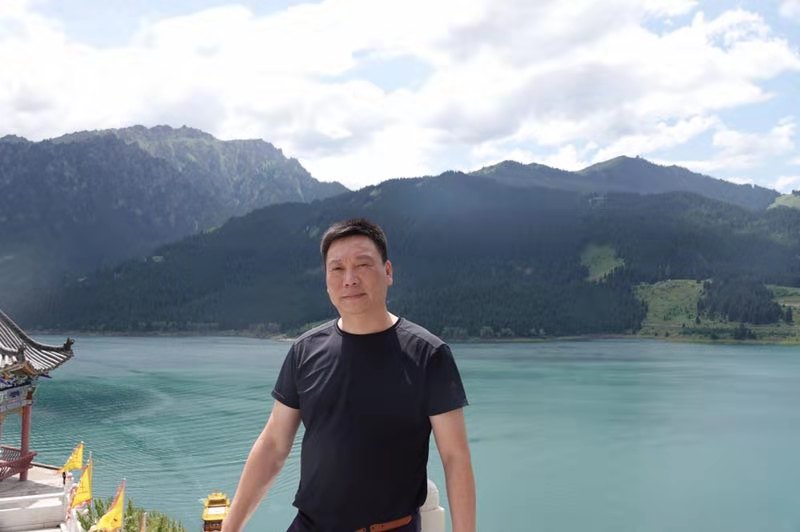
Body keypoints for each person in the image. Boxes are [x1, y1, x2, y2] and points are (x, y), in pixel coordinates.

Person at [224, 218, 476, 532]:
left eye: (362, 265)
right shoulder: (305, 351)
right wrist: (229, 528)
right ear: (326, 280)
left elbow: (455, 457)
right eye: (337, 268)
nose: (350, 279)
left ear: (388, 272)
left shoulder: (428, 355)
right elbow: (273, 445)